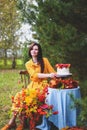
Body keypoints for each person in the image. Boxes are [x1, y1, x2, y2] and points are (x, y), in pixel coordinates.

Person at [1, 42, 57, 130]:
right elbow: (34, 75)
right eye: (32, 49)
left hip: (43, 85)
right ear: (30, 51)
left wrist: (56, 75)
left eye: (36, 49)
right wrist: (49, 75)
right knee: (20, 96)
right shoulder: (28, 63)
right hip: (33, 85)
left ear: (39, 51)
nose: (34, 51)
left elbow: (52, 71)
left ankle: (25, 123)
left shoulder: (44, 60)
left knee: (32, 98)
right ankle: (12, 122)